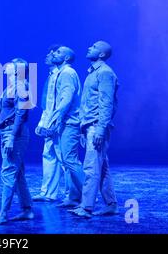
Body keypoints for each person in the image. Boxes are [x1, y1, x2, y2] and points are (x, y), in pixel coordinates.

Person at [70, 41, 119, 218]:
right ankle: (111, 204)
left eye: (94, 47)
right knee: (102, 166)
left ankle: (86, 207)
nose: (89, 47)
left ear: (101, 55)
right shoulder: (93, 73)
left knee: (91, 168)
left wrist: (99, 129)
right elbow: (88, 103)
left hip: (97, 126)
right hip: (89, 125)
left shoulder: (105, 73)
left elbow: (106, 104)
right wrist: (83, 127)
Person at [0, 58, 34, 226]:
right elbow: (6, 113)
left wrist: (11, 137)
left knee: (7, 172)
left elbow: (21, 114)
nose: (6, 65)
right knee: (18, 173)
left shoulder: (22, 86)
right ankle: (27, 209)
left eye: (10, 64)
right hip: (7, 131)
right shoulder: (11, 87)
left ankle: (3, 214)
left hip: (16, 133)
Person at [40, 46, 84, 208]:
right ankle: (73, 197)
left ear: (66, 58)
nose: (53, 54)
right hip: (62, 122)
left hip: (68, 122)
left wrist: (55, 118)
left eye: (58, 52)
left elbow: (66, 99)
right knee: (65, 160)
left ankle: (88, 197)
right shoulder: (61, 73)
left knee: (70, 161)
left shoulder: (67, 73)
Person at [33, 45, 70, 202]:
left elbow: (64, 101)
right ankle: (48, 192)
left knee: (65, 159)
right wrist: (43, 123)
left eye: (53, 53)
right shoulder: (52, 75)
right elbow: (48, 104)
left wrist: (55, 122)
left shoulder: (65, 74)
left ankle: (74, 194)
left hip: (61, 123)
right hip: (50, 122)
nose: (49, 55)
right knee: (49, 155)